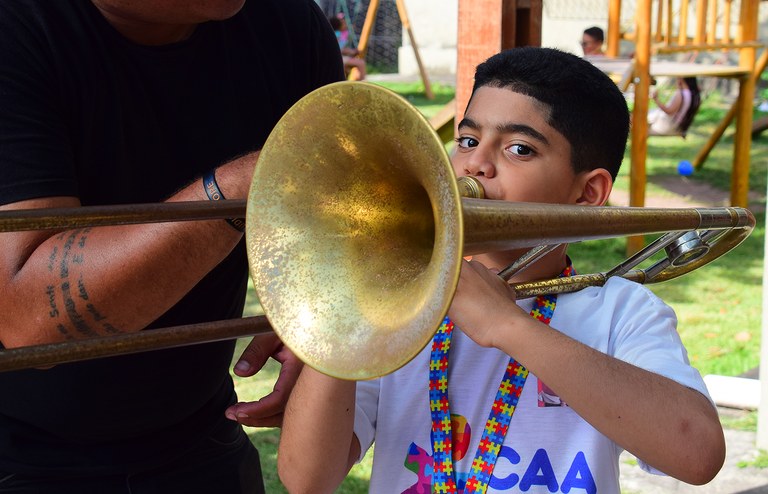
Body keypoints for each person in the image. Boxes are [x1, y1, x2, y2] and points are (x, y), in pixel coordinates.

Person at [276, 47, 726, 493]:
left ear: (588, 193)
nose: (476, 164)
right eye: (467, 140)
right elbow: (305, 479)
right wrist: (341, 308)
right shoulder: (397, 307)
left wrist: (508, 325)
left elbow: (697, 454)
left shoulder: (621, 312)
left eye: (519, 149)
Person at [0, 1, 344, 493]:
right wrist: (236, 189)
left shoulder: (288, 23)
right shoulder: (16, 29)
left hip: (203, 432)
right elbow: (30, 324)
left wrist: (311, 310)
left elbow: (330, 212)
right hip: (19, 455)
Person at [329, 14, 367, 81]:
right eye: (343, 23)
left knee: (347, 70)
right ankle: (362, 82)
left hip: (340, 58)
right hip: (337, 58)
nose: (346, 24)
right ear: (338, 25)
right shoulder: (337, 34)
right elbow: (337, 49)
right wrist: (351, 51)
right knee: (361, 63)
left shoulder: (340, 34)